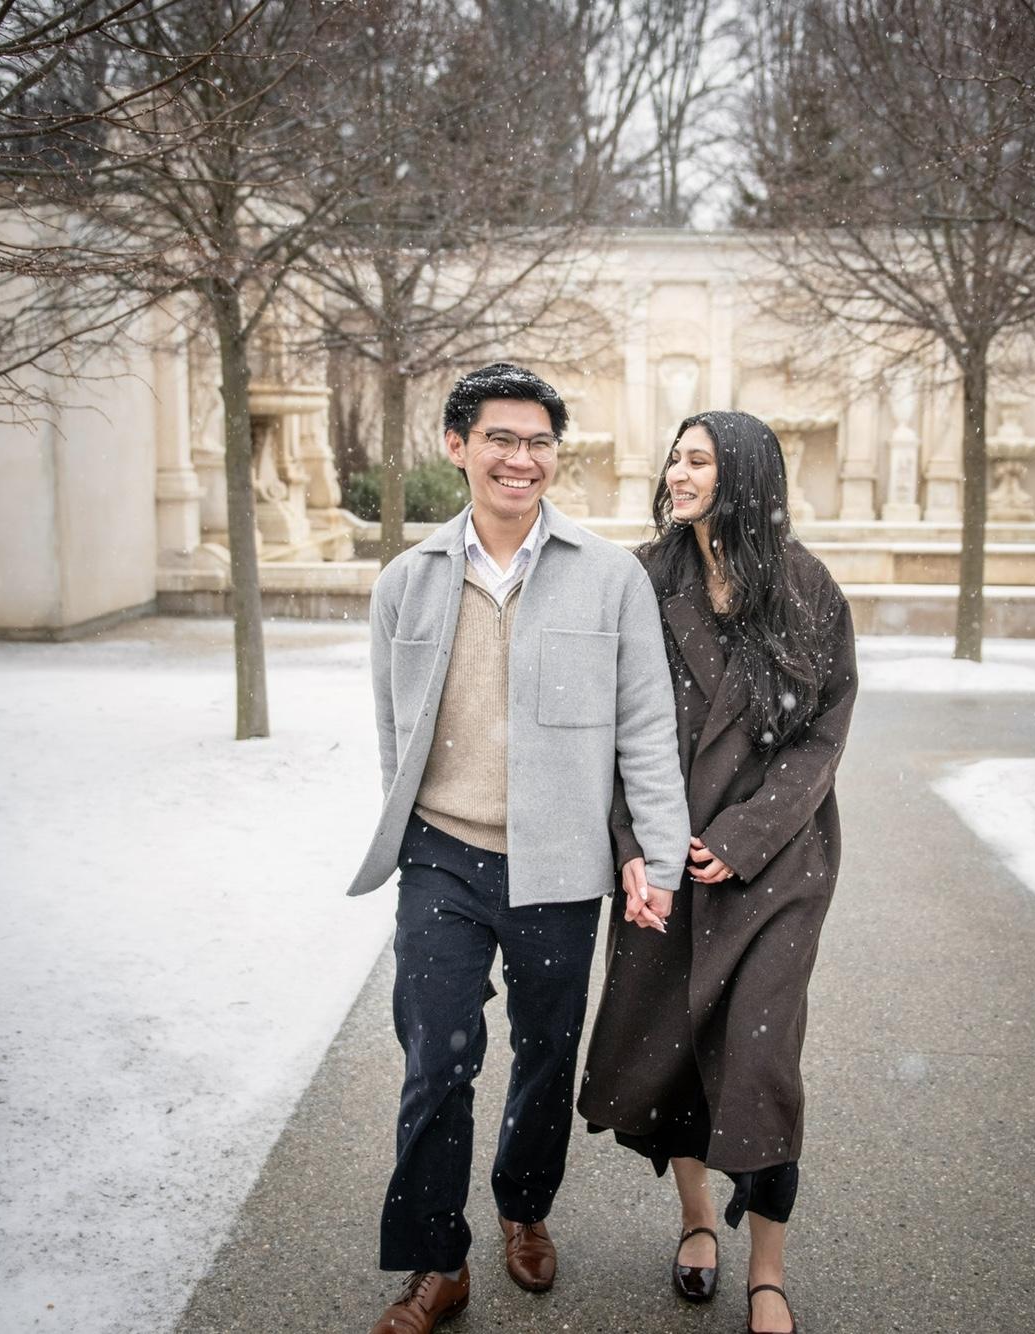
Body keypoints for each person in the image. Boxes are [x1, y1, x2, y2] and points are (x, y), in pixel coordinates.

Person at [346, 362, 689, 1334]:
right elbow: (393, 729)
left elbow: (644, 729)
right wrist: (413, 833)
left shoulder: (608, 575)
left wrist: (650, 855)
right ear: (455, 446)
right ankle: (433, 1259)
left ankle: (523, 1203)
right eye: (500, 437)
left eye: (538, 441)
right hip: (442, 857)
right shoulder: (405, 583)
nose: (520, 458)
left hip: (559, 865)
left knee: (546, 1050)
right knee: (434, 1057)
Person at [578, 410, 857, 1334]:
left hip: (775, 866)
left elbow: (823, 731)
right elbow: (612, 729)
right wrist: (632, 847)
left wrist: (746, 832)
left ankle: (768, 1270)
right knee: (669, 1050)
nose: (678, 470)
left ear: (743, 475)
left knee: (762, 1059)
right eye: (675, 455)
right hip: (666, 859)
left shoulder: (808, 588)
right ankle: (698, 1219)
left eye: (699, 458)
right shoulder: (644, 577)